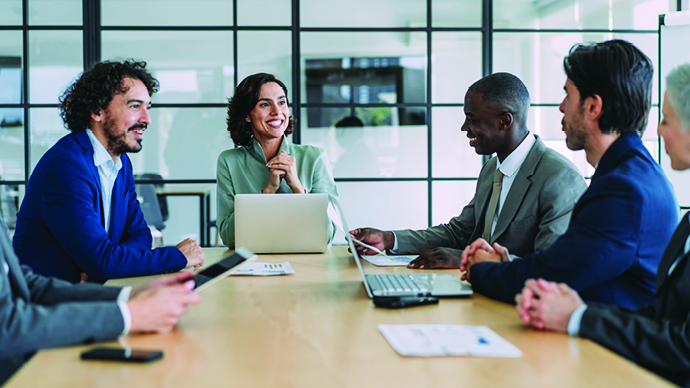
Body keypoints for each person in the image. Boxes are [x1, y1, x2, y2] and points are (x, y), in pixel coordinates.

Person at [462, 40, 678, 310]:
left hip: (606, 349)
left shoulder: (624, 190)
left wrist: (482, 269)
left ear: (592, 108)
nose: (562, 107)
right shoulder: (632, 172)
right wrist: (507, 264)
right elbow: (570, 262)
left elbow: (555, 276)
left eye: (568, 95)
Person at [514, 63, 690, 388]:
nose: (659, 131)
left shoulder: (627, 186)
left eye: (666, 119)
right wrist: (576, 313)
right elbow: (663, 317)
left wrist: (579, 317)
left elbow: (683, 346)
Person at [350, 73, 587, 268]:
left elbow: (553, 265)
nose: (465, 128)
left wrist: (472, 261)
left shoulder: (558, 178)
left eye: (471, 119)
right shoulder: (491, 169)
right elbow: (459, 233)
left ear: (504, 121)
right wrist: (388, 238)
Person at [12, 60, 204, 283]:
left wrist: (107, 263)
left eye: (147, 107)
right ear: (96, 110)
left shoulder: (120, 163)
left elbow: (139, 234)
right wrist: (177, 257)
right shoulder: (66, 166)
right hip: (47, 306)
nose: (147, 119)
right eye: (134, 106)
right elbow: (103, 263)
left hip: (91, 293)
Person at [0, 216, 202, 384]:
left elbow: (27, 285)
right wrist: (130, 315)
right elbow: (5, 326)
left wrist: (128, 296)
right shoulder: (64, 168)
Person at [216, 73, 339, 247]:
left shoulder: (315, 157)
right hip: (251, 264)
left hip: (310, 266)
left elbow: (327, 235)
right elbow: (229, 238)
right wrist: (268, 191)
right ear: (247, 115)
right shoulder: (229, 162)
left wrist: (297, 187)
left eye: (282, 102)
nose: (277, 112)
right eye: (265, 104)